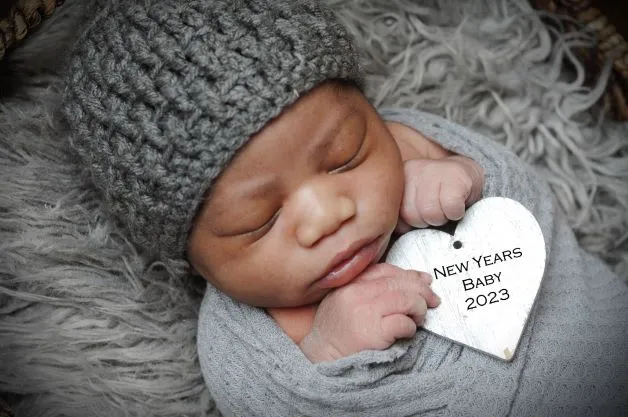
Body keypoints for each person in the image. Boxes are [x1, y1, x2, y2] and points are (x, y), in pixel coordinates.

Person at [63, 0, 628, 416]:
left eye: (344, 157)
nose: (328, 214)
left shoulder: (408, 146)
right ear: (192, 257)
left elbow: (523, 205)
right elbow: (264, 402)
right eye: (257, 220)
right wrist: (330, 353)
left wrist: (461, 175)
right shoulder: (241, 340)